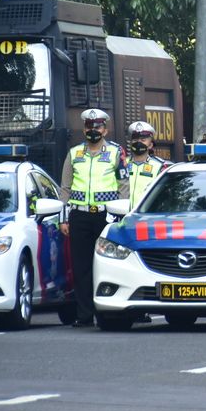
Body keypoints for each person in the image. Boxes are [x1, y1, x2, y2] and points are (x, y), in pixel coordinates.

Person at [59, 109, 128, 327]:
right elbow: (65, 189)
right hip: (79, 216)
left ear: (105, 129)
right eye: (89, 126)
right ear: (84, 129)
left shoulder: (117, 153)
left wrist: (122, 216)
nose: (93, 130)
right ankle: (84, 315)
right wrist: (63, 219)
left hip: (106, 217)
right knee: (81, 267)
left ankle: (106, 313)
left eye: (97, 127)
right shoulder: (74, 153)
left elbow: (123, 186)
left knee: (108, 265)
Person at [126, 121, 167, 208]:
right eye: (135, 140)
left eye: (143, 140)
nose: (138, 143)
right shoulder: (123, 163)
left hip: (146, 216)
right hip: (123, 214)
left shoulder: (159, 166)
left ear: (150, 145)